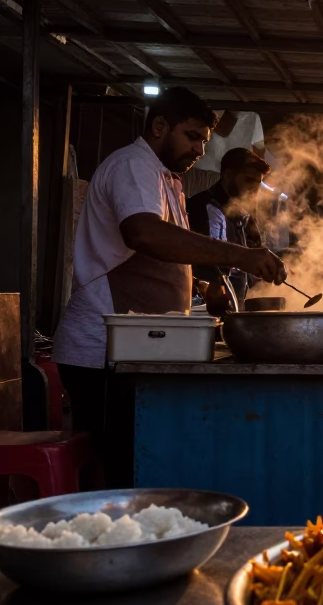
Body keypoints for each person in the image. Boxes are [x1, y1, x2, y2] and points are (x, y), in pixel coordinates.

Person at [52, 88, 287, 487]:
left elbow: (150, 256)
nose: (198, 150)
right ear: (160, 126)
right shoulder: (133, 166)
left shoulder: (166, 178)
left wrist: (197, 282)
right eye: (192, 136)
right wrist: (241, 256)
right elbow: (143, 234)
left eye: (204, 142)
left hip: (135, 347)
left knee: (137, 459)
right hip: (102, 352)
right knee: (119, 466)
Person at [186, 146, 271, 309]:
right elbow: (210, 264)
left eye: (259, 183)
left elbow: (255, 257)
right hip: (203, 310)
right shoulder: (204, 207)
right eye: (248, 180)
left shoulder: (245, 216)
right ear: (228, 175)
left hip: (235, 309)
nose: (255, 189)